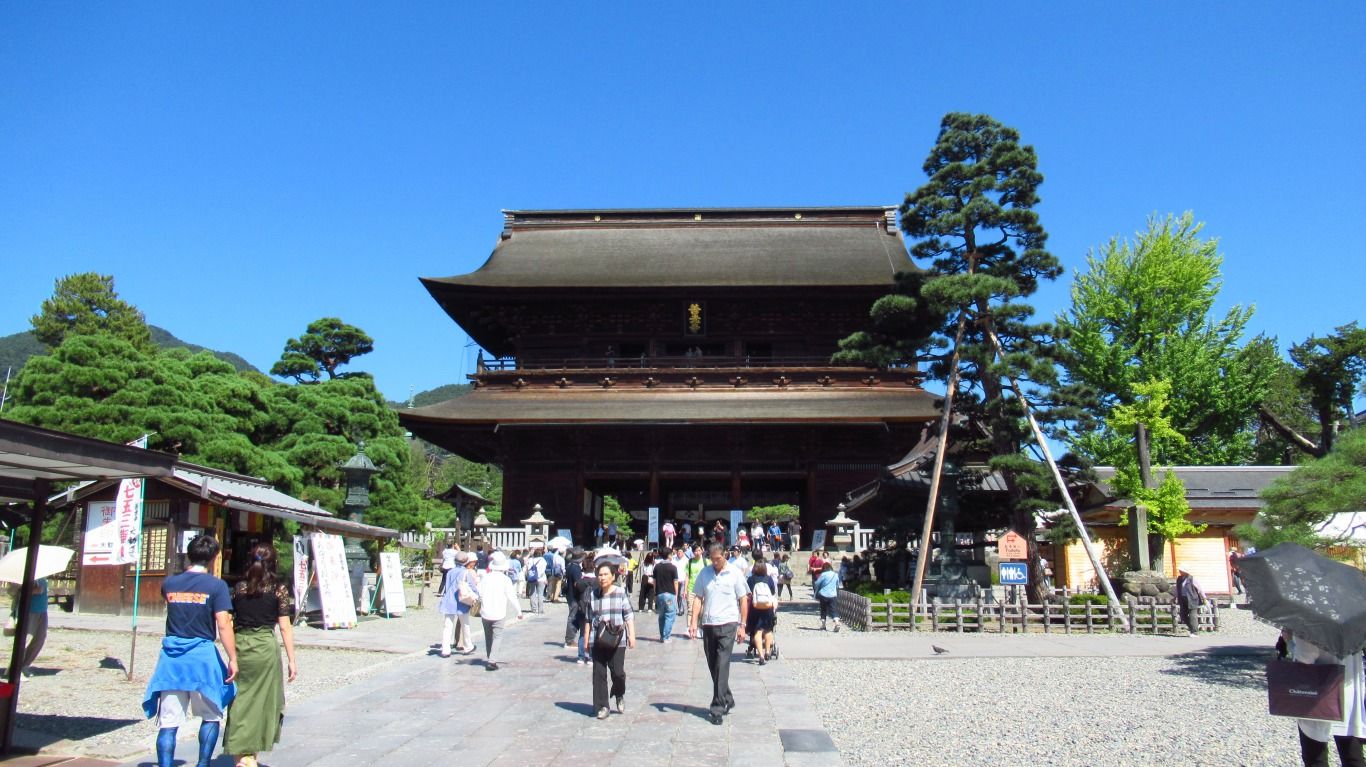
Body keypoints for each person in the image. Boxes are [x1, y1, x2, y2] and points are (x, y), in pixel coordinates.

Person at [142, 534, 237, 767]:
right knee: (211, 715)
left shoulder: (170, 584)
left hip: (172, 657)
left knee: (168, 721)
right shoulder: (217, 586)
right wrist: (233, 657)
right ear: (214, 558)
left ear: (188, 555)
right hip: (202, 656)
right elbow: (223, 623)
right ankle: (203, 763)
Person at [223, 543, 298, 767]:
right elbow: (285, 627)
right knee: (264, 700)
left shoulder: (239, 588)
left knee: (240, 699)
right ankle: (251, 753)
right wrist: (292, 660)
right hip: (265, 646)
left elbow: (228, 621)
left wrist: (231, 654)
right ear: (273, 563)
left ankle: (240, 754)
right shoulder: (278, 590)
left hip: (241, 645)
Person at [689, 543, 750, 725]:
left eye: (718, 559)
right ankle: (727, 697)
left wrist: (742, 625)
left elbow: (743, 599)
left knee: (722, 663)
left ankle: (717, 707)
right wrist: (693, 622)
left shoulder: (735, 573)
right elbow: (698, 598)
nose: (715, 562)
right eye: (712, 559)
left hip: (728, 623)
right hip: (709, 623)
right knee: (713, 664)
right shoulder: (704, 573)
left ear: (725, 555)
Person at [1289, 632, 1364, 766]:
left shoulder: (1309, 623)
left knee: (1315, 755)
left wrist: (1289, 642)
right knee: (1352, 755)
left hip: (1318, 694)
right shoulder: (1354, 624)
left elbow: (1305, 659)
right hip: (1349, 689)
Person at [585, 561, 637, 719]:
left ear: (613, 576)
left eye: (606, 574)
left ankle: (619, 693)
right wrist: (586, 640)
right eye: (600, 575)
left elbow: (628, 615)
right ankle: (602, 706)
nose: (602, 578)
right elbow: (588, 619)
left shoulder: (620, 593)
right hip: (598, 639)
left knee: (618, 673)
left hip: (617, 640)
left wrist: (632, 635)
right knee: (599, 674)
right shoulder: (593, 594)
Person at [476, 552, 523, 670]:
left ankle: (490, 657)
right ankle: (492, 660)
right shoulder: (505, 579)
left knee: (488, 636)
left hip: (485, 611)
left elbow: (479, 592)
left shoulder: (485, 578)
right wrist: (519, 611)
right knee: (497, 636)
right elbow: (512, 596)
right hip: (499, 611)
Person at [438, 552, 478, 656]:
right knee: (465, 624)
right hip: (462, 600)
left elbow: (447, 586)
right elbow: (472, 587)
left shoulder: (450, 572)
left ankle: (445, 649)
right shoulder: (466, 572)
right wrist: (477, 595)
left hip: (449, 600)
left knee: (447, 626)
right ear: (466, 562)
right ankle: (468, 646)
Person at [8, 577, 49, 677]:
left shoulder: (41, 574)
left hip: (42, 610)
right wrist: (30, 589)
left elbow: (42, 589)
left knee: (39, 639)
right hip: (28, 610)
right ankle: (15, 670)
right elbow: (11, 591)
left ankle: (24, 666)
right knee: (25, 641)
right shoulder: (25, 572)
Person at [747, 562, 778, 664]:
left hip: (755, 608)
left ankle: (761, 656)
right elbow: (773, 592)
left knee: (758, 631)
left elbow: (747, 593)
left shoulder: (751, 579)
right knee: (768, 630)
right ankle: (767, 652)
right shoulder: (769, 579)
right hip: (767, 608)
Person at [652, 547, 681, 642]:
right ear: (669, 555)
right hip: (669, 594)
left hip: (659, 594)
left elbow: (654, 581)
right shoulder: (673, 567)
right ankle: (666, 637)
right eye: (671, 554)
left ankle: (662, 636)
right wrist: (676, 595)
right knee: (670, 615)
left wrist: (655, 593)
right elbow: (675, 582)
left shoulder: (657, 567)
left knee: (661, 616)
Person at [683, 543, 707, 637]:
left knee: (701, 610)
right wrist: (685, 590)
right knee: (690, 609)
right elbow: (687, 576)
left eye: (699, 550)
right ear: (692, 552)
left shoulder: (706, 562)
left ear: (702, 551)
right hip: (692, 588)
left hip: (703, 589)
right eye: (695, 551)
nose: (697, 552)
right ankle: (689, 628)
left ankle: (699, 628)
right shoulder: (690, 562)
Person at [1174, 567, 1206, 634]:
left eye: (1181, 571)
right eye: (1180, 570)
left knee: (1192, 616)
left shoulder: (1192, 579)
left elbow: (1200, 588)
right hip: (1183, 599)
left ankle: (1195, 632)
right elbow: (1177, 589)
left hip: (1192, 599)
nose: (1180, 572)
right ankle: (1194, 627)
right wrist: (1175, 597)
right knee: (1183, 615)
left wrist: (1204, 598)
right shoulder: (1179, 579)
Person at [813, 561, 841, 632]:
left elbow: (817, 583)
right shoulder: (835, 574)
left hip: (823, 594)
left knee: (823, 610)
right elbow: (837, 584)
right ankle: (837, 623)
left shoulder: (823, 574)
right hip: (833, 595)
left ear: (823, 568)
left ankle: (823, 625)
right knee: (834, 609)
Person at [524, 549, 546, 615]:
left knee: (532, 593)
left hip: (532, 578)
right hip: (541, 579)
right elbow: (543, 570)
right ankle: (540, 609)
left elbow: (527, 568)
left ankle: (534, 609)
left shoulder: (531, 560)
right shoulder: (543, 560)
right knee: (540, 594)